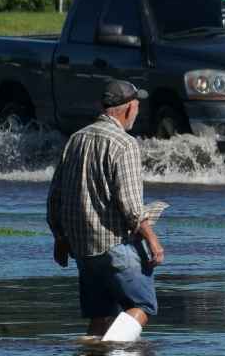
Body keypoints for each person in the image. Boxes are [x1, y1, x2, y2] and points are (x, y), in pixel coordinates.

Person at [46, 79, 165, 341]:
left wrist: (60, 238)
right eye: (136, 106)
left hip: (83, 249)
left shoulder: (76, 139)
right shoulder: (125, 144)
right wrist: (152, 240)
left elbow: (55, 197)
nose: (138, 111)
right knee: (142, 306)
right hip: (115, 245)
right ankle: (111, 350)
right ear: (127, 109)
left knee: (99, 319)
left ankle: (92, 349)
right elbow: (132, 206)